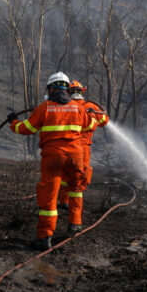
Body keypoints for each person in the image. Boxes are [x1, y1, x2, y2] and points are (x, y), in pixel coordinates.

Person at [8, 72, 91, 250]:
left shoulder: (45, 107)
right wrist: (88, 113)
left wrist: (13, 121)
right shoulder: (78, 107)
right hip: (76, 155)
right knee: (76, 189)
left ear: (51, 88)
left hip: (53, 157)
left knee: (49, 196)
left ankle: (45, 236)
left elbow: (27, 128)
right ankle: (75, 224)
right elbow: (89, 125)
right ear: (67, 89)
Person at [57, 80, 109, 212]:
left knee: (64, 174)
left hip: (66, 146)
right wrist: (92, 114)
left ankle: (63, 201)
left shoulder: (64, 105)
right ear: (82, 91)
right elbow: (104, 121)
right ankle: (75, 211)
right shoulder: (90, 105)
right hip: (82, 148)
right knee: (79, 178)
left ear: (68, 92)